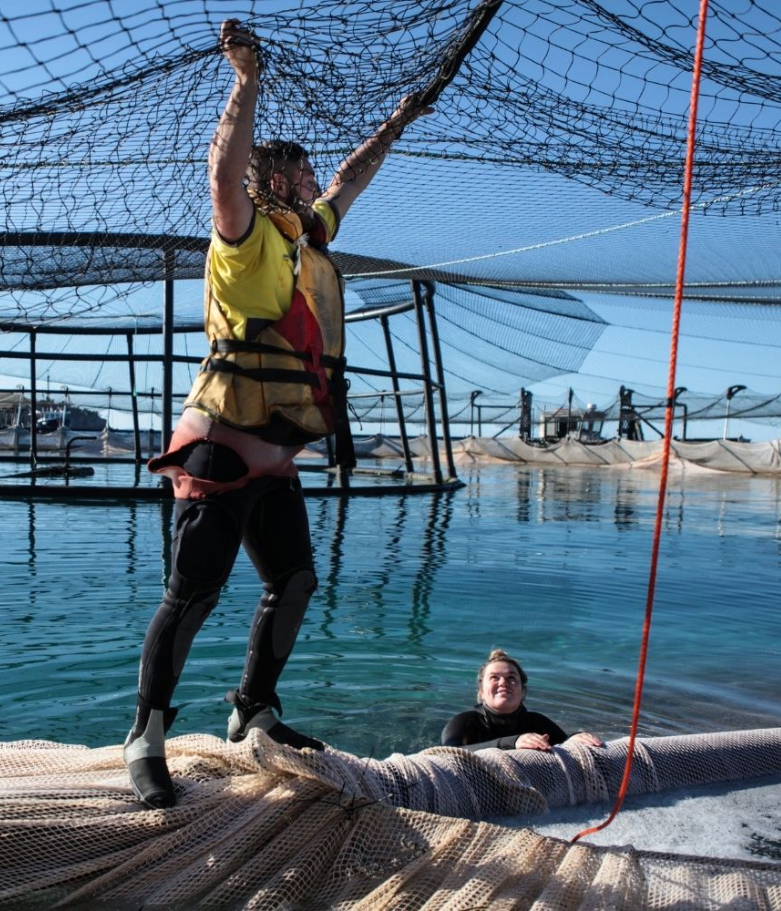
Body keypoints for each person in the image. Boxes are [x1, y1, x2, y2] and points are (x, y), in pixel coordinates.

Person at [122, 19, 433, 809]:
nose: (309, 180)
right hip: (220, 450)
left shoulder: (307, 235)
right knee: (189, 595)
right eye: (295, 172)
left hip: (276, 457)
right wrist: (245, 81)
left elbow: (353, 181)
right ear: (270, 182)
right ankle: (145, 737)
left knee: (293, 578)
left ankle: (252, 711)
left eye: (306, 174)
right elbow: (222, 174)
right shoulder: (243, 233)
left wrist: (395, 123)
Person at [441, 649, 605, 752]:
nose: (503, 682)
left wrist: (574, 739)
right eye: (494, 678)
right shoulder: (464, 723)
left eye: (511, 678)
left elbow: (563, 746)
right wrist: (513, 742)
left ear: (523, 692)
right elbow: (447, 754)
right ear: (481, 692)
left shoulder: (537, 722)